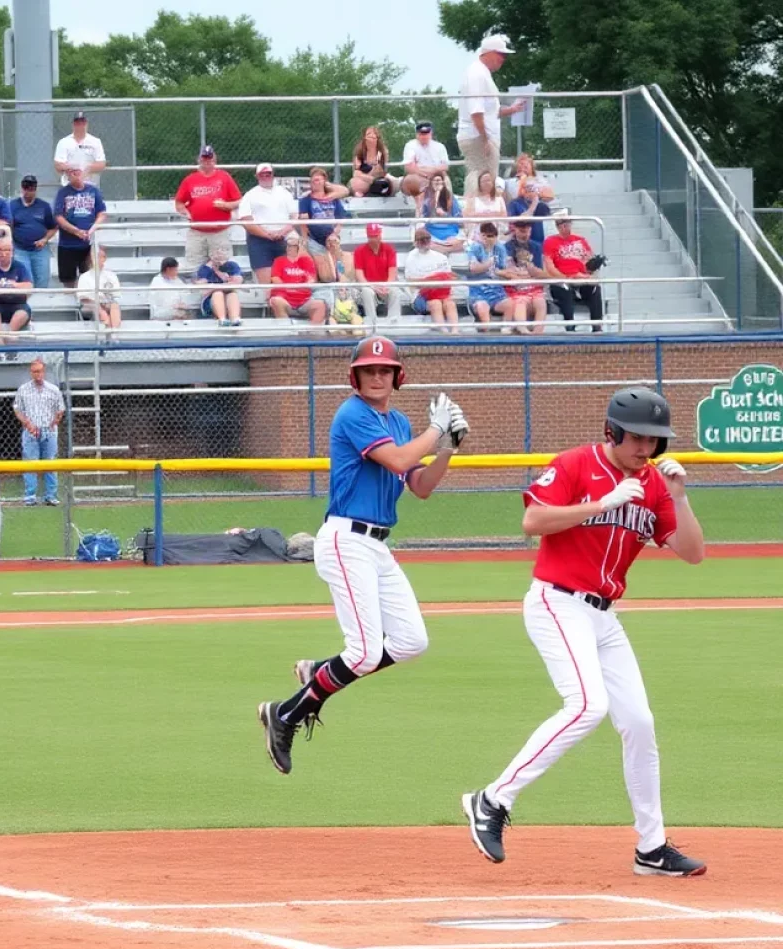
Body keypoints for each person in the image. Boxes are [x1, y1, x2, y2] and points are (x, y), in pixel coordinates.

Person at [462, 387, 707, 878]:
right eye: (637, 438)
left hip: (604, 616)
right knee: (587, 705)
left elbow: (692, 552)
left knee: (639, 723)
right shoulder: (575, 464)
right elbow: (532, 521)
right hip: (557, 601)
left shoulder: (656, 484)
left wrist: (679, 497)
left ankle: (652, 848)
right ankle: (491, 800)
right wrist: (602, 503)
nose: (646, 449)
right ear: (611, 431)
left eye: (654, 441)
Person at [258, 337, 469, 774]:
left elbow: (422, 486)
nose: (377, 376)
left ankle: (319, 673)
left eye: (385, 369)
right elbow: (396, 461)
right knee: (364, 652)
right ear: (355, 377)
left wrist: (448, 444)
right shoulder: (352, 413)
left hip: (376, 545)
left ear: (397, 376)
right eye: (369, 370)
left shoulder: (400, 420)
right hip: (345, 540)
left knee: (412, 641)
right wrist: (435, 430)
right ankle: (285, 715)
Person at [456, 35, 526, 198]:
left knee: (486, 176)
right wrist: (485, 137)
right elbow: (476, 111)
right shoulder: (477, 74)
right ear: (489, 53)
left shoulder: (482, 73)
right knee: (480, 175)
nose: (503, 59)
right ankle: (475, 215)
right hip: (477, 135)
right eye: (501, 54)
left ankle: (482, 214)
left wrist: (512, 109)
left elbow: (489, 111)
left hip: (481, 134)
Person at [174, 145, 242, 269]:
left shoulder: (224, 177)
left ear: (214, 160)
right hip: (197, 232)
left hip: (219, 232)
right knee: (193, 267)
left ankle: (221, 288)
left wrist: (226, 206)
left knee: (223, 267)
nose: (207, 162)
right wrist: (185, 212)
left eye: (209, 159)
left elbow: (239, 201)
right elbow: (179, 202)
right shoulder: (190, 180)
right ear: (199, 160)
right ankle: (198, 288)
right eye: (204, 159)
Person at [13, 360, 65, 507]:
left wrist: (55, 421)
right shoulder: (23, 390)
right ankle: (30, 496)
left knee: (50, 462)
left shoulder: (53, 389)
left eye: (40, 371)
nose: (38, 374)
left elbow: (60, 408)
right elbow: (17, 409)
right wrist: (28, 424)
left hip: (49, 431)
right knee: (31, 463)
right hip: (31, 431)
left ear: (44, 372)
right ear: (31, 372)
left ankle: (51, 496)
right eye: (35, 371)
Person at [543, 213, 604, 332]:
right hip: (562, 278)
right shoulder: (550, 241)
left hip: (580, 277)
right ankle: (570, 325)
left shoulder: (580, 240)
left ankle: (597, 325)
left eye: (567, 223)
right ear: (557, 227)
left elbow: (588, 261)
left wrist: (591, 268)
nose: (565, 227)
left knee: (595, 288)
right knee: (564, 288)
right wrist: (566, 277)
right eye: (562, 224)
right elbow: (549, 266)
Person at [238, 164, 297, 285]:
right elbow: (246, 220)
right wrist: (266, 234)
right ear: (257, 176)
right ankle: (269, 301)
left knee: (289, 279)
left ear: (272, 174)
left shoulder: (284, 193)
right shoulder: (250, 195)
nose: (265, 177)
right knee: (267, 284)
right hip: (259, 240)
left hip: (284, 238)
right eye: (262, 174)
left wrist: (283, 231)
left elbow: (295, 216)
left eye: (268, 174)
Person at [0, 237, 33, 359]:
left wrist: (12, 285)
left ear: (12, 252)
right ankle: (0, 344)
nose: (4, 254)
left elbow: (28, 287)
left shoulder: (20, 267)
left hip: (17, 303)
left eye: (7, 250)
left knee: (22, 313)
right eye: (0, 250)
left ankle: (10, 338)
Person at [53, 165, 106, 289]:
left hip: (88, 244)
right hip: (67, 244)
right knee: (68, 280)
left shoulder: (93, 191)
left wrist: (93, 228)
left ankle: (87, 304)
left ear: (83, 173)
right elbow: (58, 216)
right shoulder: (63, 192)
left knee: (89, 279)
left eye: (77, 171)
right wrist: (75, 231)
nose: (74, 174)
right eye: (71, 172)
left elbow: (102, 213)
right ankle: (70, 306)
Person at [298, 166, 349, 282]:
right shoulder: (306, 200)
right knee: (326, 276)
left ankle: (341, 280)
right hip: (314, 238)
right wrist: (305, 237)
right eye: (313, 180)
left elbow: (341, 218)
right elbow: (303, 221)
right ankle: (325, 277)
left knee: (336, 253)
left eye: (318, 180)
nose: (315, 183)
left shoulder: (333, 198)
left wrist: (335, 233)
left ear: (324, 181)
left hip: (331, 237)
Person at [404, 227, 459, 330]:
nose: (425, 242)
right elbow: (411, 282)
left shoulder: (441, 257)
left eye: (427, 239)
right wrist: (431, 282)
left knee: (450, 304)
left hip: (441, 292)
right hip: (420, 295)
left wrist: (439, 282)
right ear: (416, 242)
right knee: (435, 303)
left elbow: (450, 276)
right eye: (422, 240)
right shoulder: (411, 258)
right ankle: (444, 332)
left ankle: (455, 331)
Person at [466, 221, 518, 329]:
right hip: (478, 293)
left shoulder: (500, 248)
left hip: (496, 292)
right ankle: (487, 338)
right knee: (482, 307)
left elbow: (506, 271)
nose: (487, 238)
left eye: (491, 236)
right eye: (484, 235)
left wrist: (498, 272)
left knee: (510, 304)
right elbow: (473, 268)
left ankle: (505, 332)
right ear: (481, 235)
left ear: (496, 236)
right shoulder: (474, 248)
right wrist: (488, 264)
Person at [10, 174, 57, 290]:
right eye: (26, 187)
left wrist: (45, 239)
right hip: (20, 250)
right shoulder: (12, 205)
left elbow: (53, 227)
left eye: (31, 188)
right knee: (25, 281)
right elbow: (9, 226)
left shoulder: (44, 206)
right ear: (22, 188)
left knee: (42, 281)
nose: (28, 191)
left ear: (35, 189)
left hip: (40, 250)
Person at [268, 234, 327, 324]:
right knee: (276, 301)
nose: (290, 248)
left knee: (320, 305)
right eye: (288, 245)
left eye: (293, 245)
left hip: (304, 299)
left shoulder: (306, 261)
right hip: (285, 298)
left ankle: (313, 332)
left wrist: (300, 287)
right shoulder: (279, 261)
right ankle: (286, 330)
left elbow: (311, 280)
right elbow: (275, 279)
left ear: (299, 247)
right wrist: (291, 289)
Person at [504, 219, 548, 334]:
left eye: (528, 231)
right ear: (515, 230)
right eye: (523, 231)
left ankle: (538, 334)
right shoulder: (507, 247)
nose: (526, 234)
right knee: (521, 301)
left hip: (532, 285)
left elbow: (540, 272)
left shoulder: (536, 246)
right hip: (516, 287)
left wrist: (532, 270)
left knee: (540, 302)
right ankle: (523, 331)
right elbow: (508, 271)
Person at [354, 222, 401, 325]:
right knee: (366, 291)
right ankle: (372, 322)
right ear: (367, 236)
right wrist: (373, 286)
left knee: (395, 290)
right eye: (371, 236)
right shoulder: (359, 251)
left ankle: (394, 321)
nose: (374, 239)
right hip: (370, 285)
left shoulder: (389, 249)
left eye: (375, 236)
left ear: (380, 235)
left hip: (385, 284)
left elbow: (392, 272)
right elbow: (359, 275)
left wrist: (386, 286)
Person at [505, 153, 555, 247]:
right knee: (516, 205)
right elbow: (517, 195)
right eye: (520, 165)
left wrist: (536, 195)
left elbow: (550, 196)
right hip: (520, 206)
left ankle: (537, 244)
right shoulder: (511, 182)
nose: (522, 168)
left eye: (525, 165)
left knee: (541, 208)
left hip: (538, 206)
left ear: (532, 167)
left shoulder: (540, 180)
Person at [400, 122, 451, 204]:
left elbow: (445, 166)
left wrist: (432, 170)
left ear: (431, 133)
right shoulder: (410, 145)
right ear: (417, 134)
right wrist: (425, 174)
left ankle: (445, 207)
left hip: (437, 175)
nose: (424, 136)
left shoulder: (440, 146)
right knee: (412, 180)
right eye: (421, 134)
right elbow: (409, 167)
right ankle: (420, 208)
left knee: (444, 178)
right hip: (418, 176)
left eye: (426, 134)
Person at [53, 111, 107, 187]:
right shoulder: (63, 142)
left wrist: (85, 172)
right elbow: (58, 165)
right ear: (73, 124)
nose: (80, 125)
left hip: (90, 186)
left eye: (82, 123)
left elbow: (101, 164)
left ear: (86, 124)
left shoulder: (95, 142)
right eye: (77, 123)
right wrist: (71, 171)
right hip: (69, 186)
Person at [195, 245, 243, 327]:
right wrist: (224, 285)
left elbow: (237, 282)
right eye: (216, 251)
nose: (219, 254)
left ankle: (235, 319)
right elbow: (203, 289)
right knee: (218, 293)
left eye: (222, 251)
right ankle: (222, 319)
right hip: (210, 301)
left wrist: (214, 286)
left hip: (228, 295)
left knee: (232, 294)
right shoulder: (205, 269)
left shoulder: (231, 265)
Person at [76, 246, 121, 331]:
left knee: (114, 306)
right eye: (96, 256)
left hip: (107, 302)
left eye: (101, 256)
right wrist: (98, 304)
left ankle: (113, 332)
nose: (98, 259)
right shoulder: (84, 277)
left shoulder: (111, 275)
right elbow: (83, 298)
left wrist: (106, 302)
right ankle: (107, 328)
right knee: (98, 309)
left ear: (105, 258)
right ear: (91, 258)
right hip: (90, 305)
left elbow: (116, 294)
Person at [418, 173, 465, 254]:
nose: (437, 183)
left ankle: (444, 249)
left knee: (461, 244)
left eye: (439, 181)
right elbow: (422, 218)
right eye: (435, 181)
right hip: (432, 230)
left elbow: (459, 219)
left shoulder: (450, 198)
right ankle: (443, 249)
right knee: (426, 243)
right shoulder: (426, 198)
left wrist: (445, 214)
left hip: (450, 230)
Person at [463, 170, 507, 243]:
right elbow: (467, 216)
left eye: (488, 180)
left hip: (496, 233)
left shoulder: (499, 199)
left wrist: (483, 215)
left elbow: (504, 216)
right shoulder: (473, 200)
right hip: (477, 234)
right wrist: (492, 214)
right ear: (479, 184)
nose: (486, 183)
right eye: (483, 181)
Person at [349, 125, 393, 197]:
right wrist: (369, 177)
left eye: (374, 134)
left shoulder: (381, 152)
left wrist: (371, 177)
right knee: (356, 184)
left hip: (376, 180)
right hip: (363, 180)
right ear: (364, 138)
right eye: (369, 134)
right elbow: (356, 173)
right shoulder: (360, 151)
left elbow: (380, 171)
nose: (372, 136)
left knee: (383, 183)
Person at [148, 256, 191, 321]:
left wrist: (182, 304)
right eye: (175, 269)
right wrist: (173, 306)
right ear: (168, 269)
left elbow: (185, 293)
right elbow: (157, 304)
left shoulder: (177, 280)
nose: (177, 272)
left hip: (176, 312)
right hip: (160, 314)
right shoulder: (156, 282)